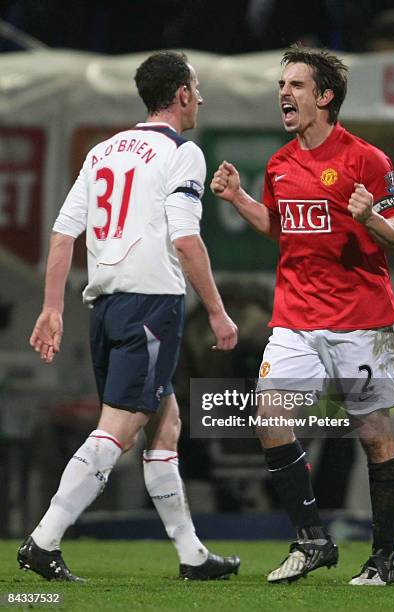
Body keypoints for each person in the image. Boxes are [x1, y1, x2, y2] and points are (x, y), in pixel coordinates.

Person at [18, 51, 240, 582]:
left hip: (106, 309)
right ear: (183, 93)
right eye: (198, 88)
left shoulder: (104, 150)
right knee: (115, 432)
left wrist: (52, 309)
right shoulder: (182, 153)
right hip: (150, 308)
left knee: (166, 426)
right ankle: (43, 541)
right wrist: (218, 312)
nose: (202, 98)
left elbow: (62, 234)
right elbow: (186, 241)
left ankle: (191, 555)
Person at [211, 44, 394, 586]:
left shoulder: (367, 159)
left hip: (360, 321)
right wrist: (237, 200)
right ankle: (312, 540)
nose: (284, 93)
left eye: (296, 85)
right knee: (268, 417)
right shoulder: (279, 163)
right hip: (296, 319)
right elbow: (282, 228)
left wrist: (371, 218)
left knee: (373, 436)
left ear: (324, 97)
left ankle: (385, 557)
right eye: (282, 85)